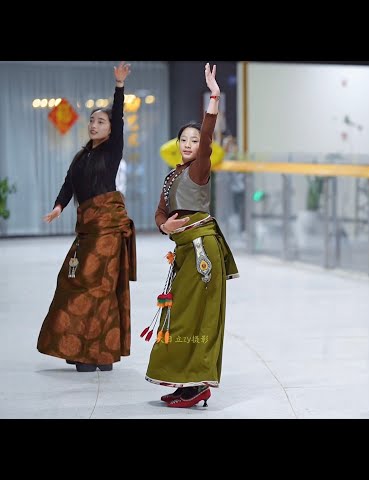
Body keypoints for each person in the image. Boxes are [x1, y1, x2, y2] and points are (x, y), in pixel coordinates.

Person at [143, 63, 239, 408]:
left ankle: (197, 384)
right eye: (184, 139)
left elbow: (209, 134)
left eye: (194, 140)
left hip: (202, 251)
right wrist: (163, 226)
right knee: (179, 315)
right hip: (182, 251)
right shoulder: (172, 177)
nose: (189, 144)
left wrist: (214, 97)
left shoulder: (199, 170)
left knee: (195, 317)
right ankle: (184, 383)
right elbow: (159, 211)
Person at [37, 62, 136, 373]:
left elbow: (118, 117)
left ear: (110, 129)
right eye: (92, 120)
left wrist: (119, 87)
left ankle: (96, 354)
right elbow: (69, 184)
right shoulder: (81, 156)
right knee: (72, 282)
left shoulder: (112, 151)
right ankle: (91, 350)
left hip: (107, 228)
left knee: (96, 288)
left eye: (101, 121)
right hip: (87, 230)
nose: (94, 125)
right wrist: (58, 206)